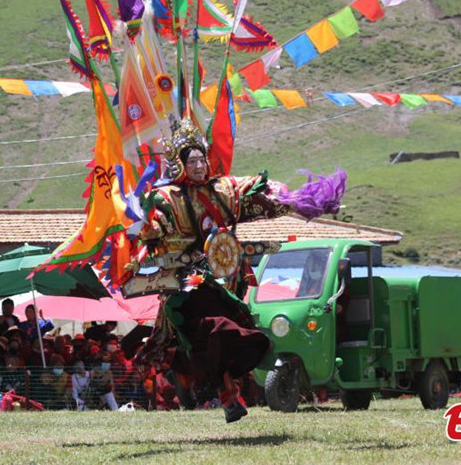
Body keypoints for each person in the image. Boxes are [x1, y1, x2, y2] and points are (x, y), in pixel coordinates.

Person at [131, 119, 343, 422]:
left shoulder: (222, 190)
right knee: (210, 332)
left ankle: (224, 396)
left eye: (201, 159)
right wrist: (145, 228)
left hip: (220, 281)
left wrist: (291, 200)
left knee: (231, 334)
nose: (199, 165)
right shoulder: (167, 199)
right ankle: (214, 391)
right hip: (185, 286)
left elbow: (253, 193)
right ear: (179, 164)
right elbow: (151, 227)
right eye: (191, 161)